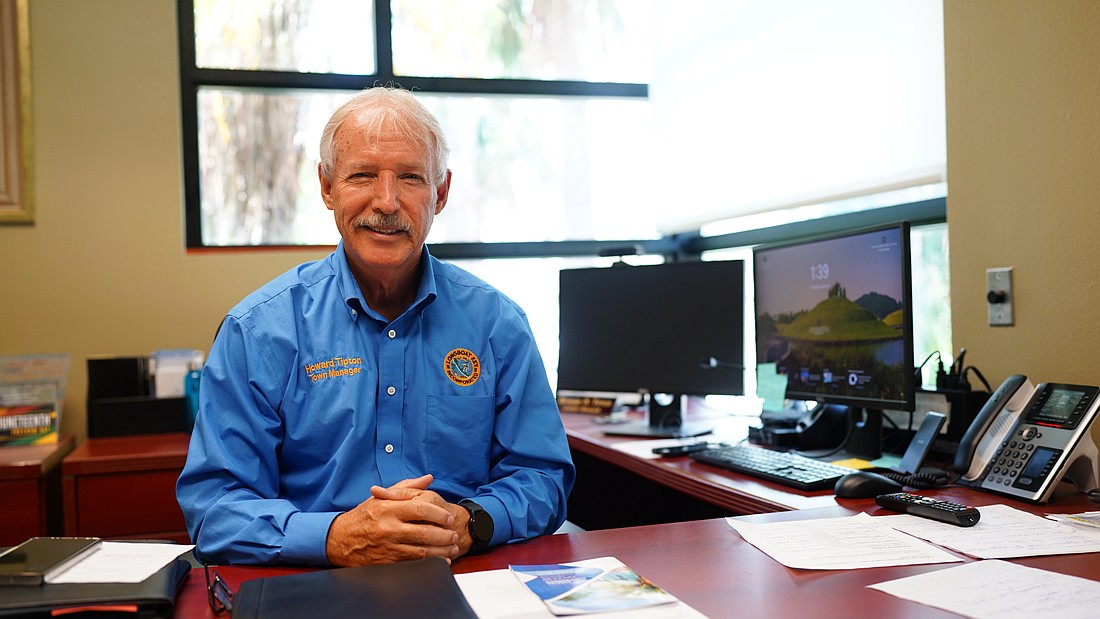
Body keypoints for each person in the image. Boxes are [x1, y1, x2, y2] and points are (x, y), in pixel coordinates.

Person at [176, 86, 576, 567]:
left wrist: (469, 523)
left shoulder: (498, 324)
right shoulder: (257, 332)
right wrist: (335, 536)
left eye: (410, 177)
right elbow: (214, 506)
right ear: (327, 187)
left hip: (465, 573)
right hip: (314, 583)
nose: (386, 202)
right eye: (362, 175)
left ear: (441, 193)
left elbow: (543, 476)